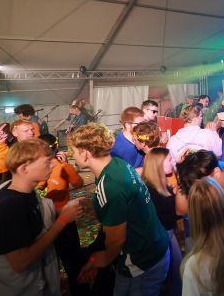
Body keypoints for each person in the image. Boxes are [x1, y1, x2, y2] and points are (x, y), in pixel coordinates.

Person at [0, 138, 84, 295]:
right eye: (47, 162)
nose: (53, 165)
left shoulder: (22, 192)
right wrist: (63, 220)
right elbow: (20, 262)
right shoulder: (10, 207)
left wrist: (59, 211)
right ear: (24, 168)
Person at [68, 123, 170, 296]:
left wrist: (101, 259)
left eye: (74, 151)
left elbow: (116, 240)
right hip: (155, 247)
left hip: (141, 261)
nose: (73, 155)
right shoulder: (117, 164)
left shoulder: (109, 186)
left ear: (85, 153)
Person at [37, 133, 88, 295]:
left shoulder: (60, 167)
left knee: (62, 259)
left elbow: (77, 183)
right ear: (56, 147)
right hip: (56, 215)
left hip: (57, 216)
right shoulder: (58, 167)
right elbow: (78, 183)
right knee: (69, 260)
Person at [141, 147, 182, 296]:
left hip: (168, 234)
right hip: (161, 237)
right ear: (158, 164)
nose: (173, 162)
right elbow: (162, 219)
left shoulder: (161, 183)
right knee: (172, 272)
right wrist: (180, 209)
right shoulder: (150, 191)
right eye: (169, 160)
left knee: (176, 270)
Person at [166, 104, 222, 170]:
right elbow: (218, 153)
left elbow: (171, 166)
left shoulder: (172, 141)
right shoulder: (208, 134)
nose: (202, 119)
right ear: (195, 119)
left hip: (183, 175)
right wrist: (214, 133)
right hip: (204, 175)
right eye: (201, 116)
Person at [110, 107, 147, 172]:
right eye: (140, 124)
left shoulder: (144, 138)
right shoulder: (116, 147)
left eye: (144, 124)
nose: (144, 127)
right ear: (128, 125)